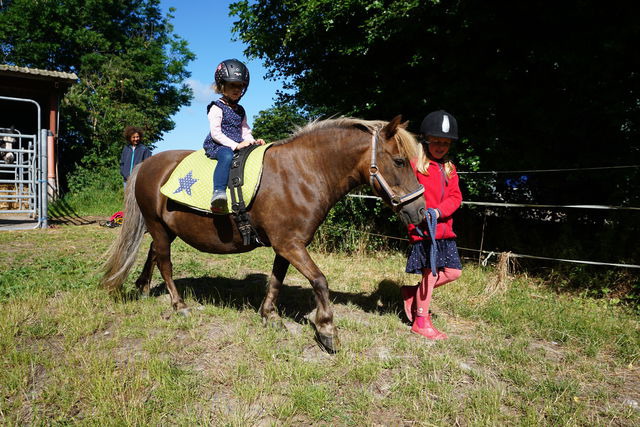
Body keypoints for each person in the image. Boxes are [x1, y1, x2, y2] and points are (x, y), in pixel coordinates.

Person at [402, 110, 463, 340]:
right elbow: (410, 195)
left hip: (445, 230)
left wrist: (440, 211)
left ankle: (413, 294)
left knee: (453, 272)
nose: (440, 146)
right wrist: (421, 217)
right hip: (425, 229)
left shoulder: (449, 168)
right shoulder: (416, 165)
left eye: (445, 143)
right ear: (426, 140)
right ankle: (421, 321)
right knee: (431, 273)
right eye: (436, 141)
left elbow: (456, 197)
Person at [203, 59, 265, 213]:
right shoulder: (217, 108)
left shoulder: (241, 110)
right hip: (219, 145)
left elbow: (245, 131)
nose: (237, 89)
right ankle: (218, 192)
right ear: (222, 86)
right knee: (227, 157)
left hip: (238, 143)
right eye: (232, 85)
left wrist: (252, 142)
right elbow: (216, 133)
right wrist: (235, 145)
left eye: (240, 86)